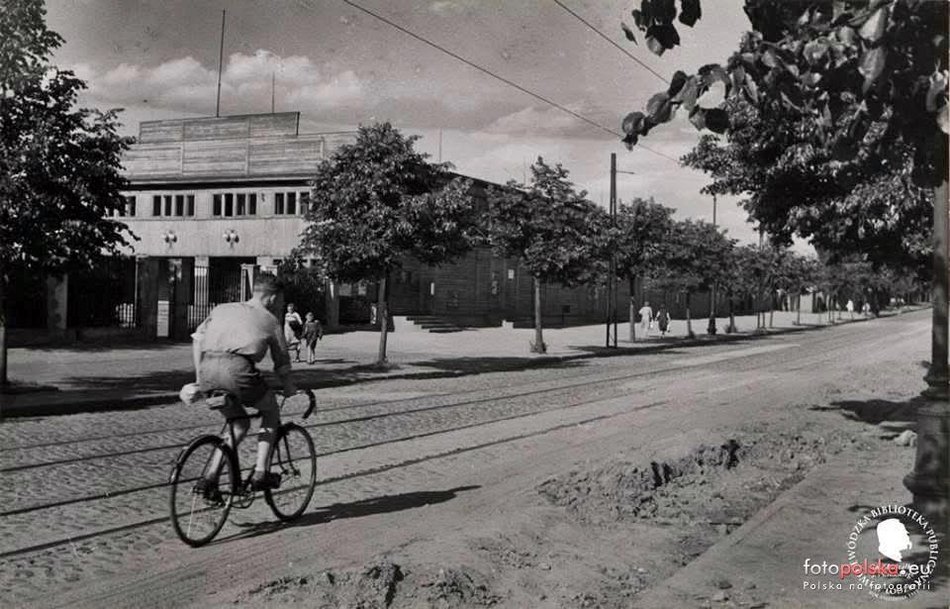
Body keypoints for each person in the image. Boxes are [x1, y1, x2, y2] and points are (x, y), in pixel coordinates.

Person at [190, 273, 298, 493]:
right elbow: (282, 363)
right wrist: (288, 387)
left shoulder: (221, 308)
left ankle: (210, 478)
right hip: (238, 371)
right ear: (272, 298)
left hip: (208, 369)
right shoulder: (270, 320)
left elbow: (197, 339)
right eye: (280, 300)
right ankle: (261, 472)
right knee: (270, 412)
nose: (281, 304)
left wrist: (199, 378)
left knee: (238, 424)